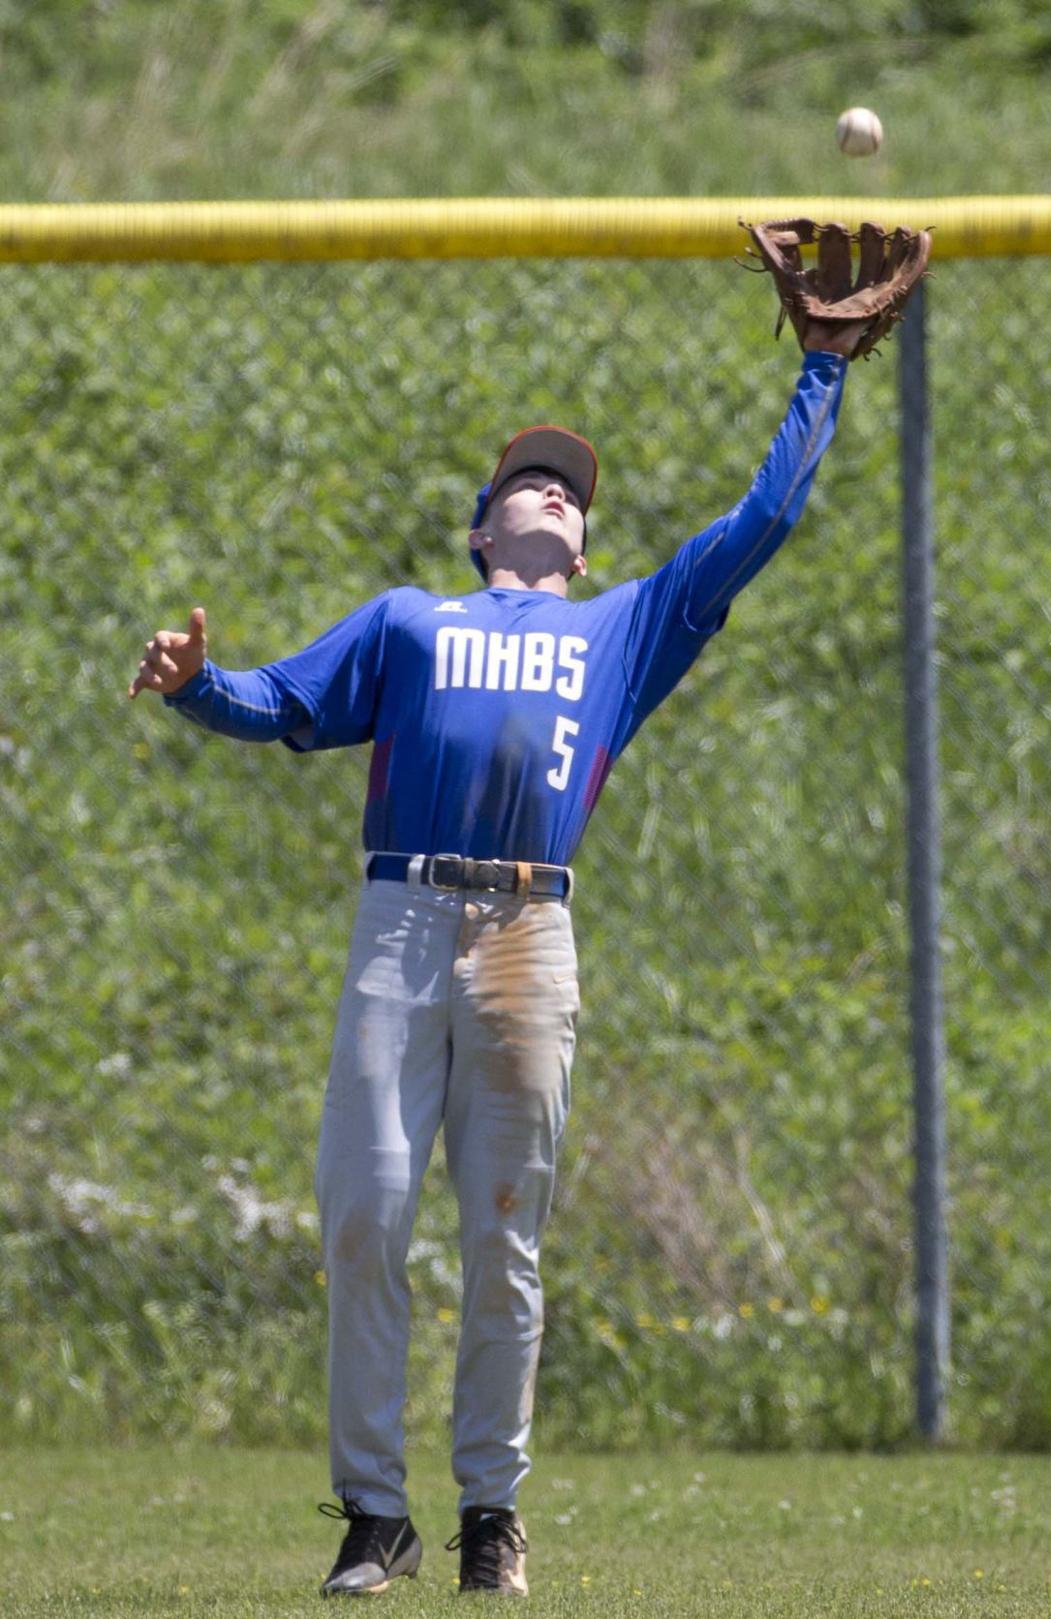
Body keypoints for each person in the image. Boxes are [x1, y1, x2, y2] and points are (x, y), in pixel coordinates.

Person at [128, 301, 863, 1597]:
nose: (550, 490)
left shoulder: (625, 630)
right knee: (366, 1213)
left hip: (531, 928)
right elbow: (285, 705)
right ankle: (372, 1513)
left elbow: (766, 523)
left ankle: (488, 1514)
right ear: (481, 528)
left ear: (582, 544)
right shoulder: (408, 620)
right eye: (526, 478)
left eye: (570, 491)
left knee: (502, 1236)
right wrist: (198, 683)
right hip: (400, 921)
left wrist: (823, 366)